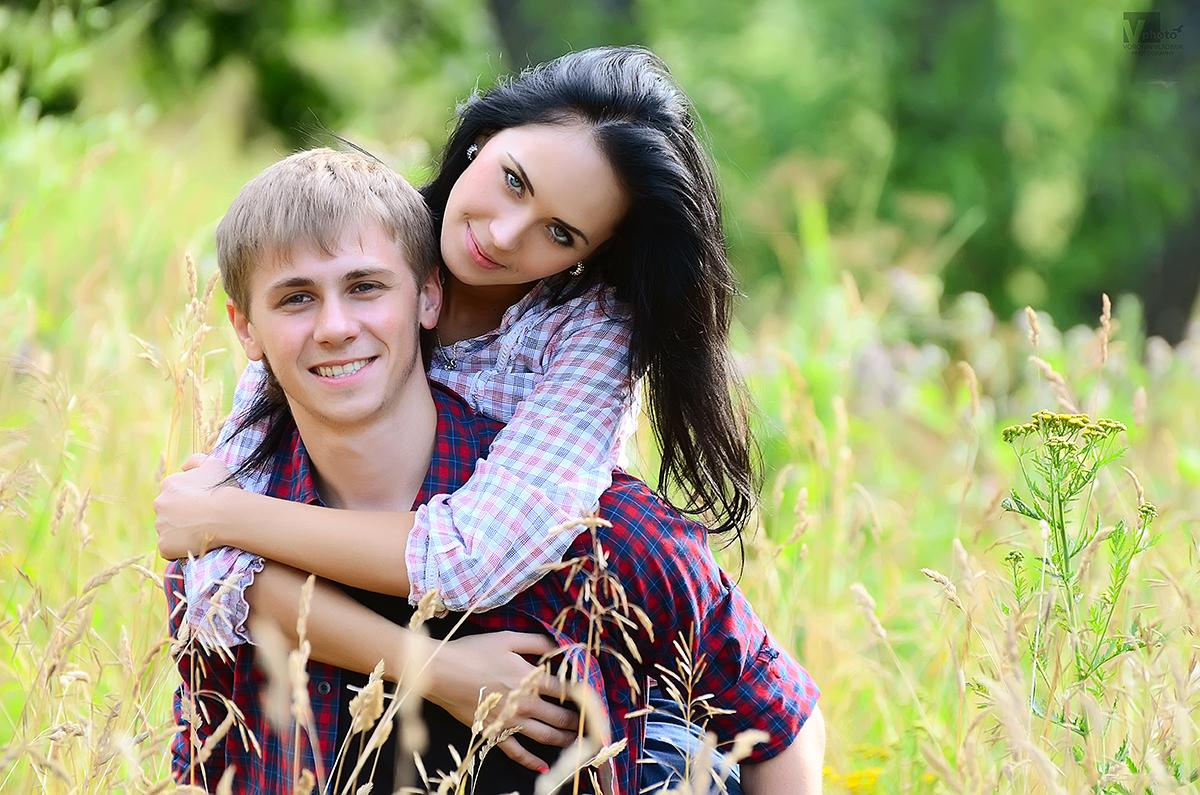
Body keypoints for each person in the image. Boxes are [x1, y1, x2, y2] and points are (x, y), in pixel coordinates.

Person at [156, 46, 814, 789]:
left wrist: (224, 518)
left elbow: (471, 554)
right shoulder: (362, 242)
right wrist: (216, 515)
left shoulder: (587, 349)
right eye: (512, 181)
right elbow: (211, 567)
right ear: (480, 139)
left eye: (559, 232)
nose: (504, 235)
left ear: (587, 256)